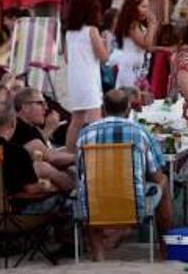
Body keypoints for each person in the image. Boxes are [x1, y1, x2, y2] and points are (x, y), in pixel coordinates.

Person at [76, 90, 172, 262]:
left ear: (103, 110)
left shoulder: (85, 134)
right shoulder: (140, 132)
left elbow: (80, 172)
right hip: (132, 204)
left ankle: (98, 254)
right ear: (128, 110)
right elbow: (156, 174)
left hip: (94, 206)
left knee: (89, 190)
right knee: (164, 182)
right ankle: (165, 250)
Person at [64, 0, 110, 153]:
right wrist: (107, 43)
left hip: (75, 81)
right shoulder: (92, 30)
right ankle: (96, 156)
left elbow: (67, 58)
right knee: (95, 122)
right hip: (89, 81)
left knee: (76, 120)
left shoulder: (69, 33)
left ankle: (69, 155)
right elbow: (104, 56)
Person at [12, 88, 76, 192]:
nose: (46, 108)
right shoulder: (19, 128)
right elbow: (52, 158)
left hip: (32, 181)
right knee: (47, 168)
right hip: (21, 188)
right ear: (25, 107)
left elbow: (48, 152)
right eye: (40, 103)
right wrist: (81, 156)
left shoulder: (30, 127)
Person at [111, 0, 157, 89]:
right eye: (143, 7)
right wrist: (152, 25)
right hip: (131, 67)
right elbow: (146, 45)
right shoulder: (132, 25)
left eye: (147, 7)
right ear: (134, 8)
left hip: (137, 67)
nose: (147, 11)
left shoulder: (137, 24)